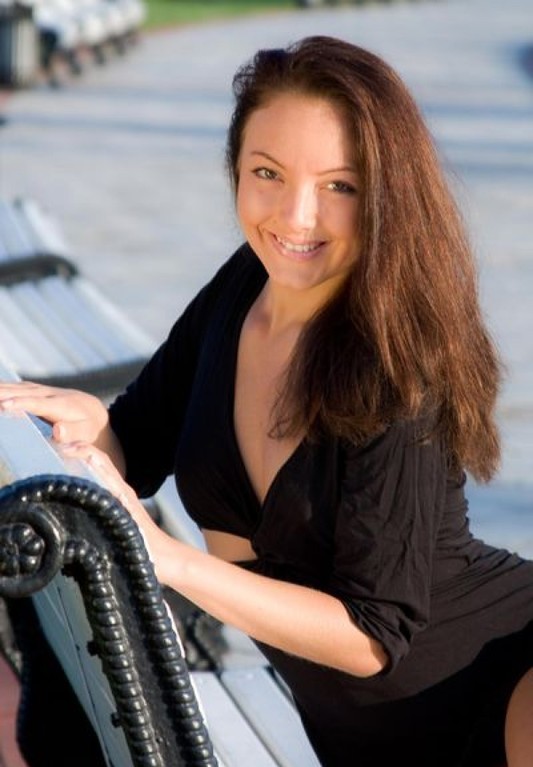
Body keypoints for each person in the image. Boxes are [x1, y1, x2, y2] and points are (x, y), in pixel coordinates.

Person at [0, 35, 532, 767]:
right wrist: (93, 425)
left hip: (502, 683)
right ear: (235, 168)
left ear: (387, 195)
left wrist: (170, 560)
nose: (295, 216)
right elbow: (139, 440)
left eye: (339, 186)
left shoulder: (395, 367)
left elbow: (371, 636)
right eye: (267, 173)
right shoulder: (245, 287)